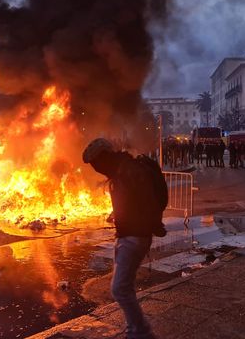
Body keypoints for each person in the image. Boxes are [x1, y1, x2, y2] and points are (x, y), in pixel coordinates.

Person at [83, 138, 162, 339]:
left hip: (135, 236)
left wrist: (153, 223)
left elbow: (147, 199)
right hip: (127, 234)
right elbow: (130, 199)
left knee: (119, 288)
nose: (95, 169)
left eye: (96, 164)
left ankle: (141, 332)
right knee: (123, 287)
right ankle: (135, 330)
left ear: (104, 157)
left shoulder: (129, 171)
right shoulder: (121, 170)